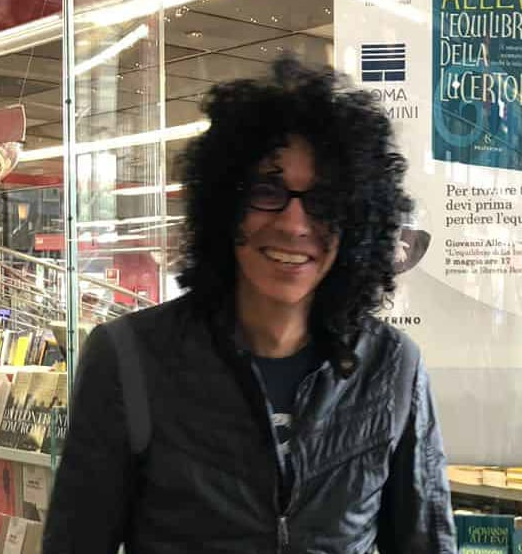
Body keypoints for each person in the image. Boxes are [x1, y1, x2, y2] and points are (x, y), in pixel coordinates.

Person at [43, 59, 457, 553]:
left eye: (324, 200)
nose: (294, 223)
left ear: (357, 221)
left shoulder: (391, 368)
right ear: (225, 205)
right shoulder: (130, 360)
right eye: (267, 191)